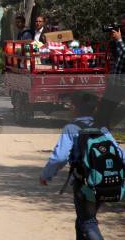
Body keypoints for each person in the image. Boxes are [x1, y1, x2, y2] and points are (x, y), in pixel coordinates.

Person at [40, 93, 124, 240]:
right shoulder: (102, 127)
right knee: (83, 221)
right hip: (102, 181)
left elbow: (60, 157)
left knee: (87, 221)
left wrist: (46, 175)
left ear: (75, 107)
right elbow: (119, 154)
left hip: (83, 183)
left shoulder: (71, 128)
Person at [95, 13, 125, 128]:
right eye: (120, 26)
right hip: (115, 81)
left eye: (123, 26)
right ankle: (103, 135)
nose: (120, 28)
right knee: (104, 110)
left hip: (121, 84)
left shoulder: (121, 41)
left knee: (107, 111)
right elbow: (116, 56)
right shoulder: (121, 40)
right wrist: (115, 40)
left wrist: (119, 40)